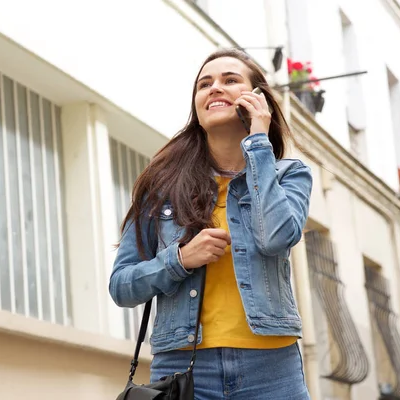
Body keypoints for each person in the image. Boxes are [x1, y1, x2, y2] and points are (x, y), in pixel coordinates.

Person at [109, 48, 313, 400]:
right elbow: (122, 286)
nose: (214, 88)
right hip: (183, 369)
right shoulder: (162, 187)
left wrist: (259, 141)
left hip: (271, 369)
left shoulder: (288, 175)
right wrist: (180, 259)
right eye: (205, 84)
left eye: (230, 80)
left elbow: (277, 237)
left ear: (257, 100)